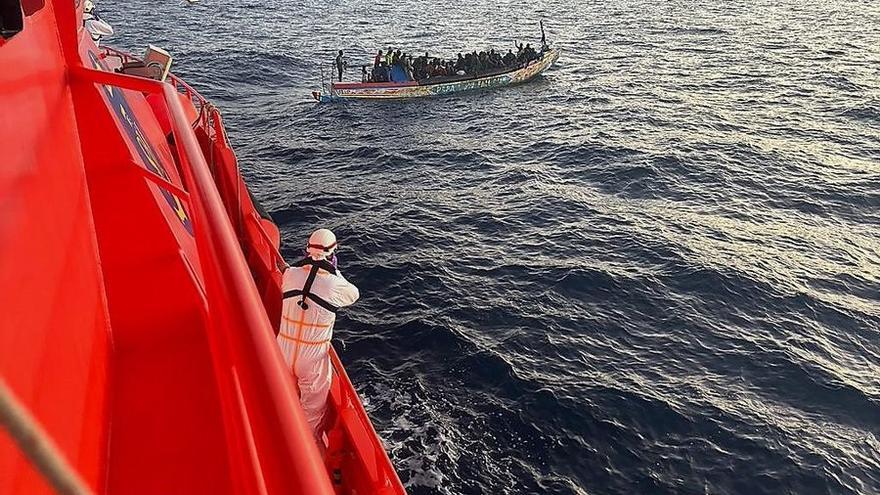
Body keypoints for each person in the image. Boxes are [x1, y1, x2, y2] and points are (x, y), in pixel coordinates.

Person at [277, 229, 359, 437]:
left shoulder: (290, 274)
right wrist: (333, 271)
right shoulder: (336, 284)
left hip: (282, 350)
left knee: (283, 398)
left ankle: (280, 431)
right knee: (311, 412)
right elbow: (353, 295)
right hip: (311, 357)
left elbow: (292, 274)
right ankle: (303, 445)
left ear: (307, 250)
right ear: (332, 254)